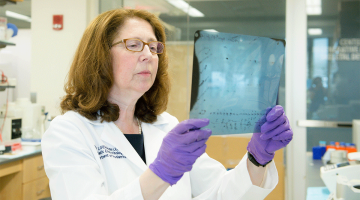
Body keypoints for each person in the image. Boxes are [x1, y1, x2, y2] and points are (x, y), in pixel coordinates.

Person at [41, 9, 293, 200]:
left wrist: (257, 158)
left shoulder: (166, 126)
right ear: (99, 56)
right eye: (134, 45)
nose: (148, 55)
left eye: (153, 47)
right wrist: (161, 173)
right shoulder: (69, 132)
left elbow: (219, 193)